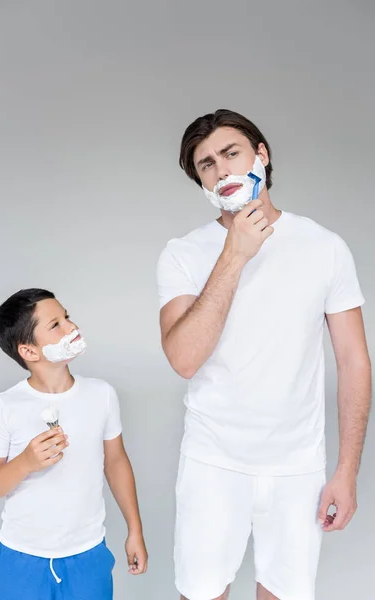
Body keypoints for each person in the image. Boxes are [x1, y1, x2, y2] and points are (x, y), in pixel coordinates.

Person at [157, 109, 371, 600]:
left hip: (298, 466)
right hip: (213, 460)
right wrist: (235, 254)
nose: (222, 169)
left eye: (231, 153)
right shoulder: (183, 254)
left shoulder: (325, 247)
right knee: (202, 593)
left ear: (261, 155)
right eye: (206, 164)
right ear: (200, 181)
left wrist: (346, 471)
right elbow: (184, 359)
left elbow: (354, 362)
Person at [0, 288, 148, 600]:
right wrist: (25, 462)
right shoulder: (3, 407)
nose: (72, 327)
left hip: (88, 556)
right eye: (55, 325)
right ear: (29, 351)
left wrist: (134, 530)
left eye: (67, 317)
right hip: (20, 561)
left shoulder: (102, 395)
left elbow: (116, 462)